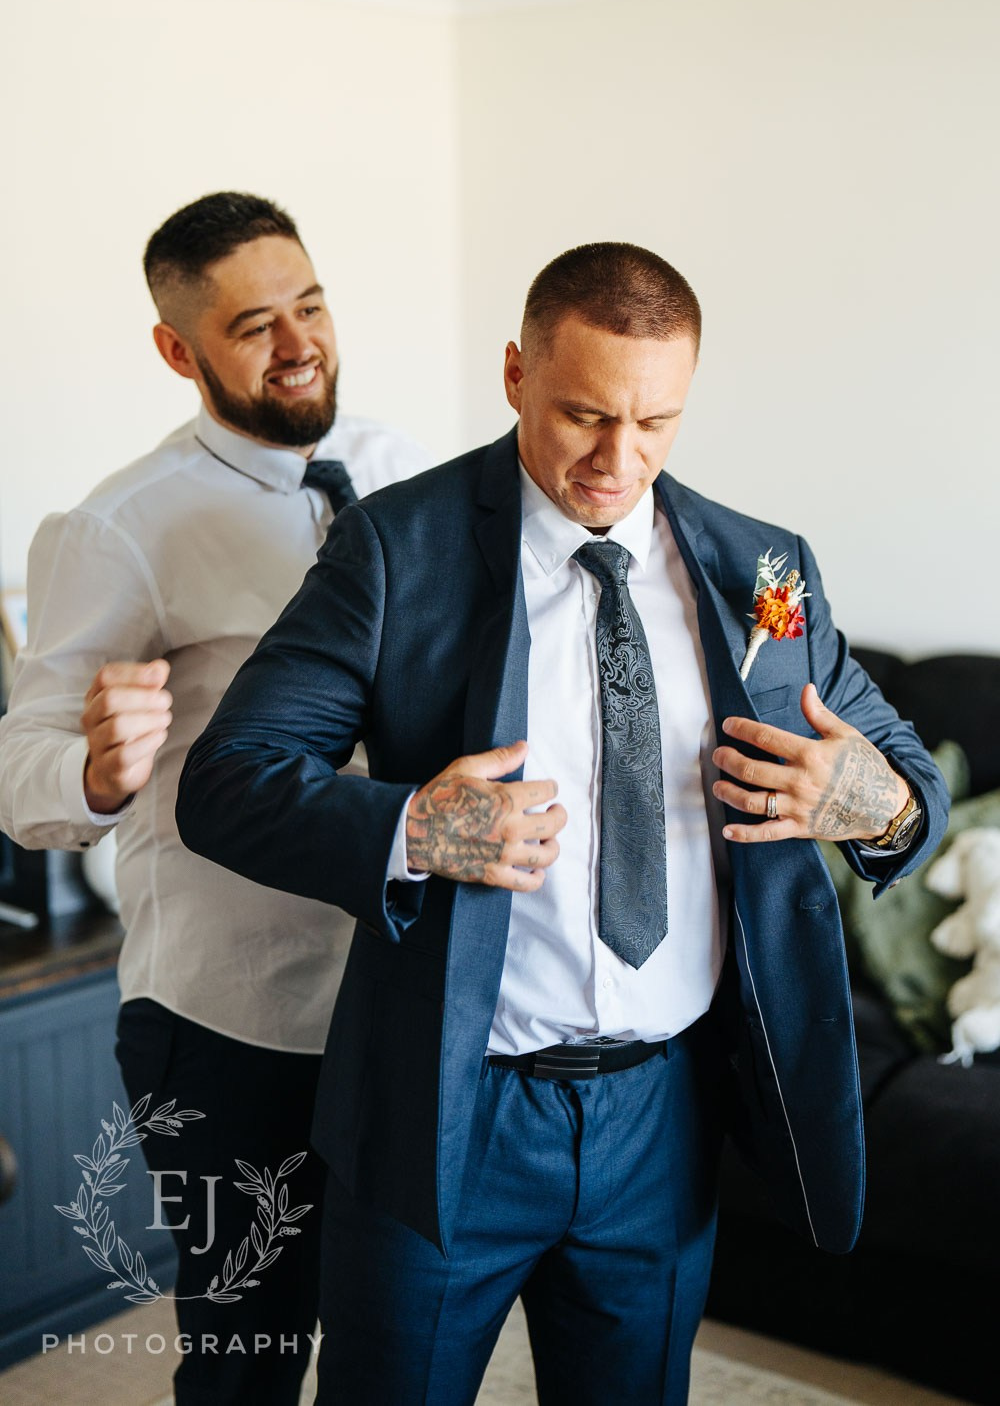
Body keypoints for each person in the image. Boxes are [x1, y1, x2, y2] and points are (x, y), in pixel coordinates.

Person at [175, 241, 948, 1406]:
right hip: (453, 1110)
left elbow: (905, 791)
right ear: (513, 375)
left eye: (655, 422)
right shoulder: (396, 549)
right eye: (584, 413)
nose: (616, 459)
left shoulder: (763, 569)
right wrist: (412, 830)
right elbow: (226, 780)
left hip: (662, 1115)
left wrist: (875, 805)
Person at [0, 191, 430, 1405]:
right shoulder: (117, 528)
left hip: (399, 991)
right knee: (249, 1353)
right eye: (254, 325)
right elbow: (21, 765)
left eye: (310, 304)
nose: (300, 343)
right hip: (229, 1023)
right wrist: (94, 767)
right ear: (176, 352)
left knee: (395, 1335)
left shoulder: (406, 471)